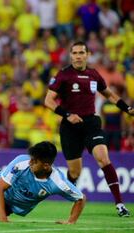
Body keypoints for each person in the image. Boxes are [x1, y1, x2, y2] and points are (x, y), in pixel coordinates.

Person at [44, 41, 133, 217]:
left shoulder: (94, 74)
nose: (78, 56)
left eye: (81, 53)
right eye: (75, 53)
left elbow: (110, 95)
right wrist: (67, 114)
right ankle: (72, 195)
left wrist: (127, 109)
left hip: (91, 124)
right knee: (75, 171)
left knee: (103, 159)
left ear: (88, 55)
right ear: (70, 56)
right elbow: (48, 101)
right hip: (70, 127)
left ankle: (120, 204)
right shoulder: (63, 75)